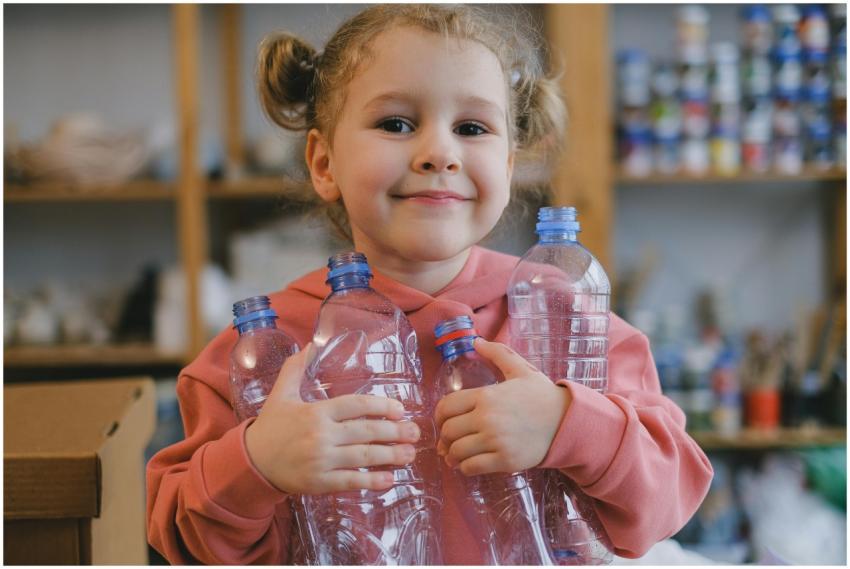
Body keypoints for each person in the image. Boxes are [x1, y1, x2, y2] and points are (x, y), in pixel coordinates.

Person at [146, 4, 713, 564]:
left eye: (472, 127)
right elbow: (182, 536)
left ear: (509, 166)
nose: (439, 153)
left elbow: (672, 496)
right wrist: (257, 463)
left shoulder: (567, 315)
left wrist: (569, 424)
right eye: (395, 123)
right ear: (324, 163)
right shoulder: (263, 350)